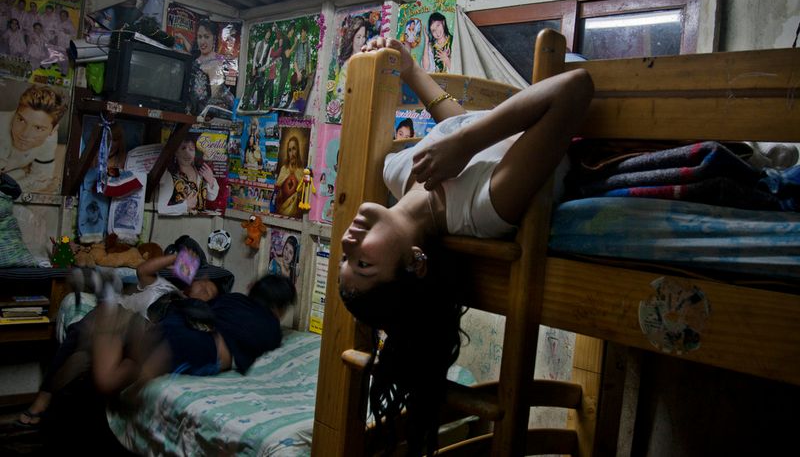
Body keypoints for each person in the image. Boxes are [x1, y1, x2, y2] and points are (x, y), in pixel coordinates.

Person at [337, 37, 594, 455]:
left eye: (344, 257)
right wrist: (467, 144)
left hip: (521, 102)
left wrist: (411, 71)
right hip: (574, 102)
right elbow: (576, 87)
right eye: (362, 262)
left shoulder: (396, 173)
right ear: (415, 262)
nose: (348, 241)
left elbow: (458, 127)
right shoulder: (484, 210)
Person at [16, 239, 221, 428]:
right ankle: (45, 397)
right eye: (203, 285)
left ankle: (55, 400)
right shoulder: (163, 286)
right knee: (83, 332)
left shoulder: (186, 314)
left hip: (137, 333)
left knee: (88, 351)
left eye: (208, 294)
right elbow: (144, 269)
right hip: (118, 314)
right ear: (190, 284)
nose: (204, 290)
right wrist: (177, 258)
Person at [91, 272, 297, 397]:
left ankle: (112, 307)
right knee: (112, 379)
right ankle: (111, 310)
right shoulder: (271, 327)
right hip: (201, 345)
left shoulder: (234, 299)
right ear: (278, 307)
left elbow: (204, 307)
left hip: (179, 321)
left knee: (129, 365)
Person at [0, 84, 68, 193]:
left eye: (38, 128)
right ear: (15, 113)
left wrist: (18, 184)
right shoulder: (2, 127)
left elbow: (42, 179)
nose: (25, 134)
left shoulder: (49, 139)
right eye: (21, 120)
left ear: (53, 130)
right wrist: (25, 182)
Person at [157, 137, 219, 215]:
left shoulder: (201, 173)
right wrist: (185, 206)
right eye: (183, 148)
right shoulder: (170, 176)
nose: (187, 153)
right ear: (176, 152)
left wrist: (211, 181)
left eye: (191, 149)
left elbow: (212, 197)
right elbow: (161, 209)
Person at [329, 15, 368, 123]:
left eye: (363, 37)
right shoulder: (346, 64)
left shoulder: (366, 60)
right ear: (352, 38)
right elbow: (339, 95)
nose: (361, 41)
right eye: (358, 37)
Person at [273, 135, 305, 218]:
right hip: (281, 213)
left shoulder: (302, 171)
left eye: (294, 149)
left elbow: (304, 196)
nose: (292, 153)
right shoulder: (283, 169)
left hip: (295, 215)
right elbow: (277, 190)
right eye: (289, 150)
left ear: (298, 150)